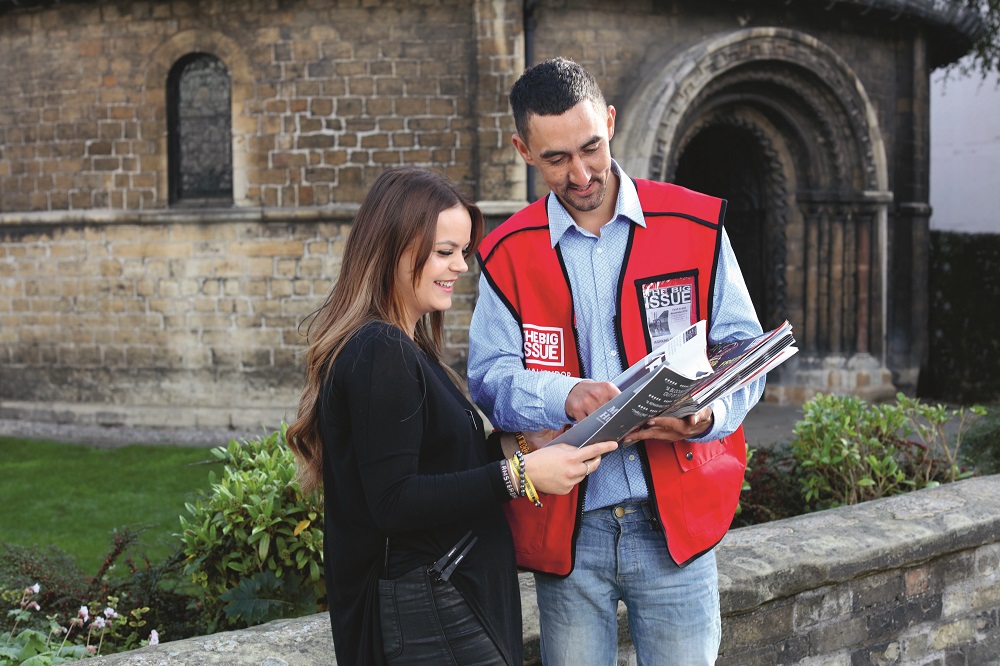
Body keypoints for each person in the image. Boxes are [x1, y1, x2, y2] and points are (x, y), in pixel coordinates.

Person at [467, 58, 765, 665]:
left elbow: (742, 348)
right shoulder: (505, 252)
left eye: (591, 148)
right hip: (570, 531)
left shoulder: (696, 223)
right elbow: (489, 378)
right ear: (523, 149)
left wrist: (708, 416)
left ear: (609, 121)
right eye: (556, 159)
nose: (580, 173)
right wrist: (564, 395)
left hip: (675, 523)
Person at [286, 166, 618, 666]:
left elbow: (439, 465)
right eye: (445, 252)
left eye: (463, 251)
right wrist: (520, 476)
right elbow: (395, 500)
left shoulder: (405, 347)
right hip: (431, 615)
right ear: (392, 250)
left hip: (448, 602)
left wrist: (523, 445)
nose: (462, 266)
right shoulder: (381, 350)